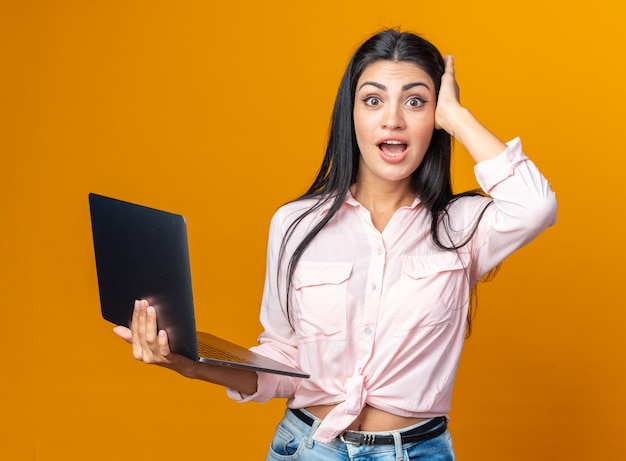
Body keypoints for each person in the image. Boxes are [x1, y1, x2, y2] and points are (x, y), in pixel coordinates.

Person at [114, 29, 557, 460]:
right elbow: (282, 362)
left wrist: (457, 117)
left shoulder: (463, 226)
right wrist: (187, 363)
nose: (393, 119)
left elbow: (535, 205)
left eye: (416, 101)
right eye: (373, 99)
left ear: (435, 117)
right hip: (305, 449)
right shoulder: (294, 224)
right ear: (352, 115)